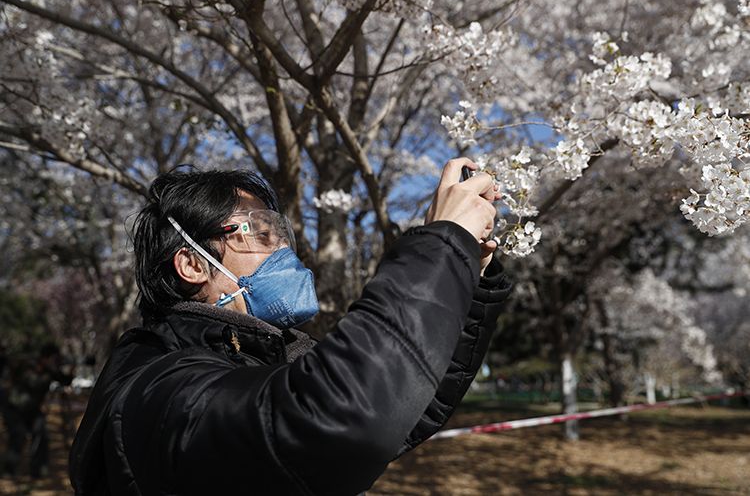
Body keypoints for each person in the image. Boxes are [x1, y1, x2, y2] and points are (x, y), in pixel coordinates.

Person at [69, 159, 512, 495]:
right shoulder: (161, 392)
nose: (282, 247)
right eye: (257, 233)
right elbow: (342, 418)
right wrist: (442, 242)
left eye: (279, 232)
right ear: (191, 264)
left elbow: (406, 402)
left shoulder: (256, 359)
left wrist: (467, 276)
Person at [2, 342, 71, 478]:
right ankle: (9, 470)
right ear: (46, 357)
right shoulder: (30, 363)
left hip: (32, 410)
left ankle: (38, 470)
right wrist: (51, 371)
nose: (56, 362)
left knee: (41, 434)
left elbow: (65, 381)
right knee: (18, 435)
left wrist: (70, 370)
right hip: (14, 407)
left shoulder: (49, 370)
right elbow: (33, 382)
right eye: (54, 359)